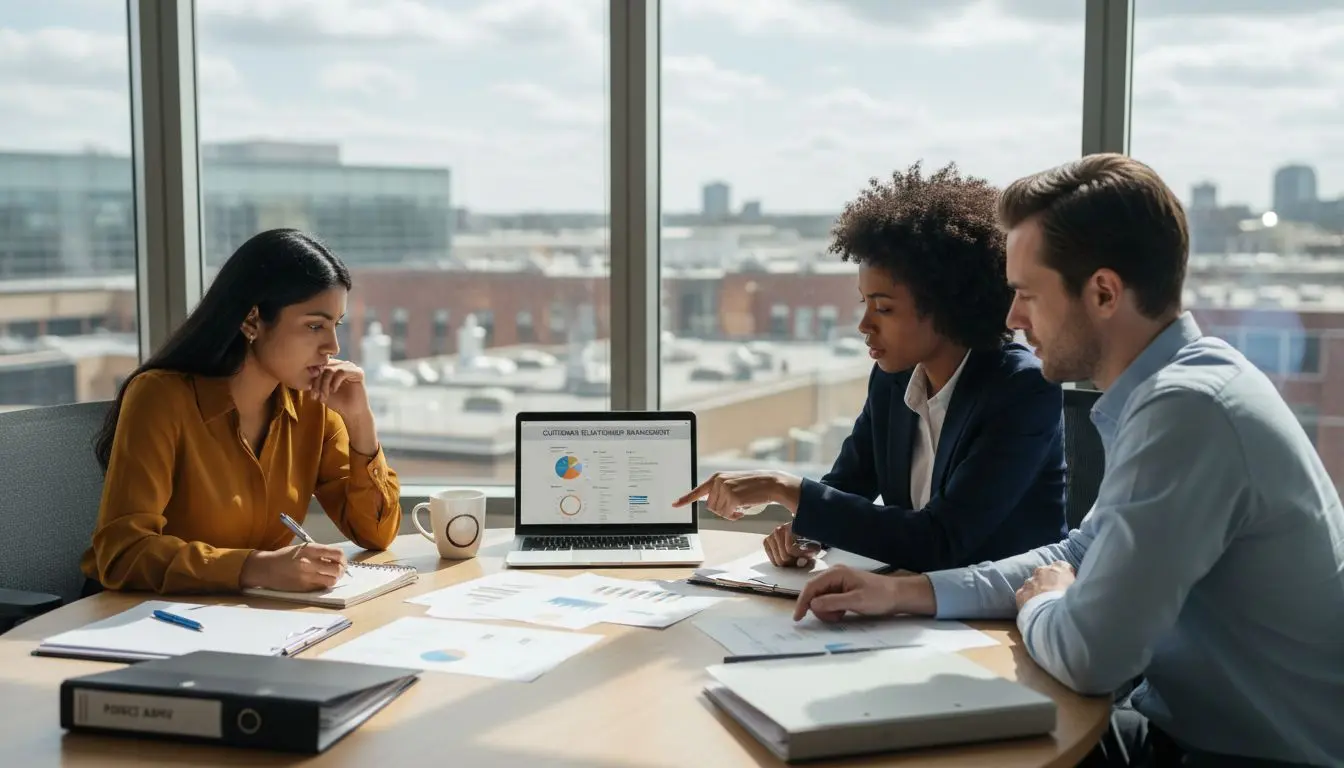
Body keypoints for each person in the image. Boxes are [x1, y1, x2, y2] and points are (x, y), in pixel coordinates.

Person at [793, 154, 1344, 767]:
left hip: (1240, 755)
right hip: (1181, 727)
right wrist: (904, 594)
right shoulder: (1181, 388)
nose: (1011, 317)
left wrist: (1040, 602)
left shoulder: (1188, 412)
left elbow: (1089, 656)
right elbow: (1074, 555)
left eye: (1027, 293)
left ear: (1103, 292)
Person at [674, 162, 1067, 572]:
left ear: (947, 305)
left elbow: (940, 540)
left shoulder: (1021, 389)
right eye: (865, 303)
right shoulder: (894, 378)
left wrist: (783, 487)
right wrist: (805, 534)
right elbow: (848, 485)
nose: (864, 324)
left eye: (884, 307)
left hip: (1000, 615)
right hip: (907, 606)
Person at [83, 229, 402, 595]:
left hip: (248, 620)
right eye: (315, 326)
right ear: (252, 320)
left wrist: (361, 422)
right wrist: (256, 568)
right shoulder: (161, 397)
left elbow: (375, 533)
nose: (332, 346)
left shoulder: (313, 404)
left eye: (336, 325)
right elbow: (123, 553)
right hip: (142, 620)